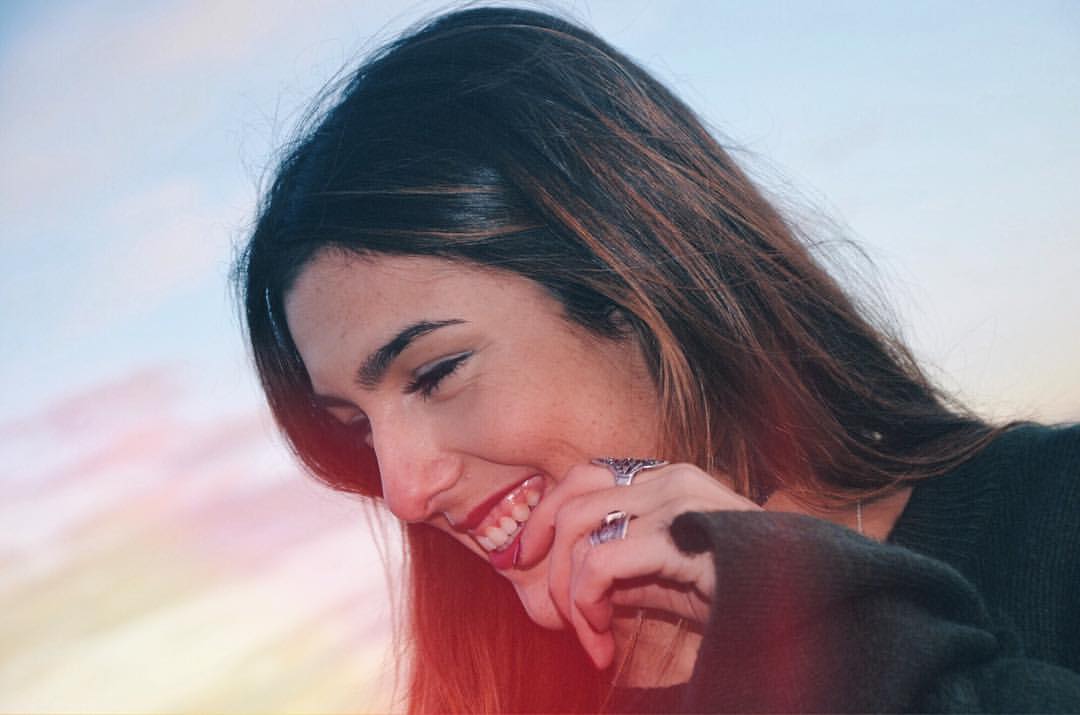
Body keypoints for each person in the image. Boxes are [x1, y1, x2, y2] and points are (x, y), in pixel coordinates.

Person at [234, 6, 1080, 713]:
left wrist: (815, 632)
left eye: (434, 372)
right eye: (357, 427)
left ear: (630, 281)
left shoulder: (1055, 514)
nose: (403, 490)